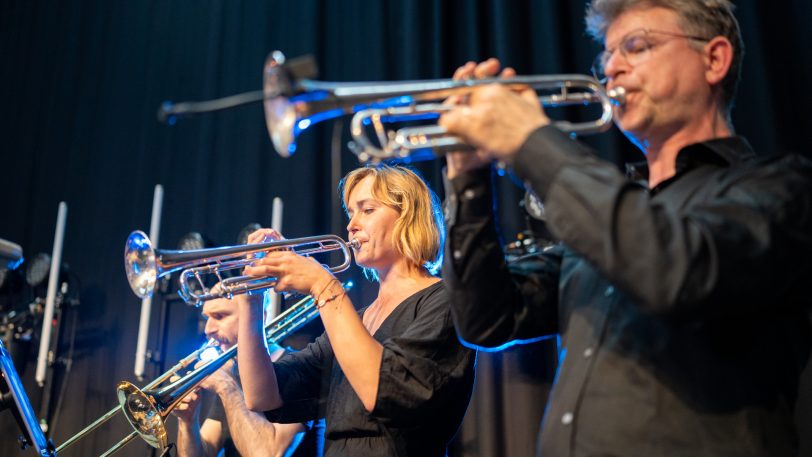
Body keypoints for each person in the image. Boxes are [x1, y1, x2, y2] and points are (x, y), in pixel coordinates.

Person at [438, 1, 812, 456]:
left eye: (636, 46)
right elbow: (487, 320)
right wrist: (467, 176)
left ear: (714, 59)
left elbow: (675, 268)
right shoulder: (609, 218)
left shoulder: (782, 187)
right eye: (607, 56)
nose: (611, 68)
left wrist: (532, 142)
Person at [235, 165, 476, 456]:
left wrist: (324, 286)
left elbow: (386, 388)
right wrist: (250, 301)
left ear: (408, 216)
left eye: (367, 210)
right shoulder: (356, 319)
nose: (351, 225)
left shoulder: (447, 300)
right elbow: (262, 395)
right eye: (351, 212)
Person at [172, 290, 322, 457]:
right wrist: (187, 421)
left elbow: (269, 454)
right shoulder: (233, 374)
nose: (208, 329)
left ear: (259, 316)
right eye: (207, 318)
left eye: (220, 316)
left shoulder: (297, 369)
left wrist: (226, 386)